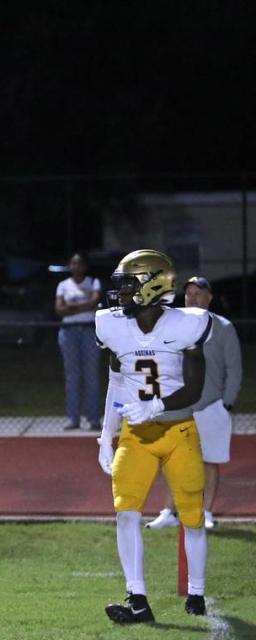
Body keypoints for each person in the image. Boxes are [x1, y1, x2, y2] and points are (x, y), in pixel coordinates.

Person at [95, 250, 211, 623]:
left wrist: (155, 406)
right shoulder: (113, 326)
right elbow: (115, 381)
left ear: (153, 284)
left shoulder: (187, 324)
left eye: (129, 285)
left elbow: (195, 389)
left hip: (178, 430)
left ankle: (196, 592)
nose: (122, 293)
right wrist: (105, 433)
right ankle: (137, 598)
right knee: (125, 511)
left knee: (192, 515)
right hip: (136, 434)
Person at [145, 276, 242, 531]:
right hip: (178, 406)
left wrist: (226, 403)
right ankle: (169, 510)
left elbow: (234, 369)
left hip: (211, 405)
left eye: (198, 293)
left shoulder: (223, 327)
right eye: (188, 293)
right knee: (171, 459)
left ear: (209, 297)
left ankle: (206, 511)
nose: (193, 297)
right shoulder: (173, 326)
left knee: (209, 461)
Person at [55, 252, 102, 430]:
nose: (76, 267)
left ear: (84, 266)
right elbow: (59, 309)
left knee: (91, 376)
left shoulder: (93, 282)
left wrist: (71, 307)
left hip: (89, 330)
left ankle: (94, 418)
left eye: (79, 263)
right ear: (70, 266)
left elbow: (94, 302)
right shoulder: (63, 285)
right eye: (73, 264)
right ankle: (73, 418)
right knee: (72, 377)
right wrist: (84, 305)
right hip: (69, 332)